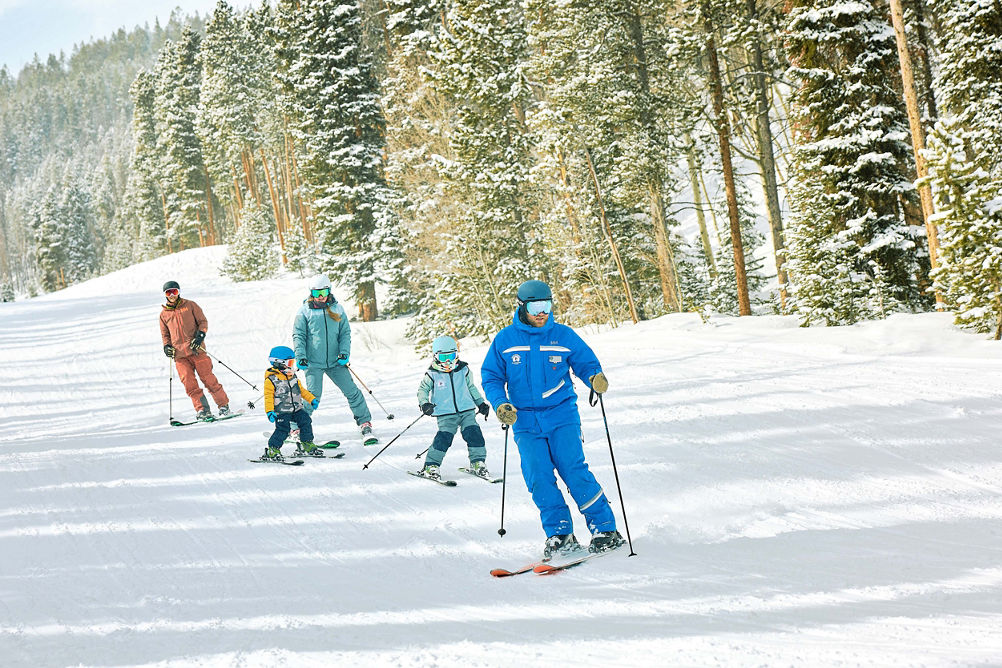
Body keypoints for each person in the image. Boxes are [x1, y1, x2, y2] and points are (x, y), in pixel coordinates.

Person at [480, 279, 623, 560]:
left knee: (574, 470)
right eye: (535, 306)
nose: (542, 311)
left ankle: (605, 529)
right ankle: (560, 533)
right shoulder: (505, 340)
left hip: (562, 416)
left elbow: (586, 363)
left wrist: (595, 378)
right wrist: (500, 404)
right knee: (539, 477)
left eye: (546, 304)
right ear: (522, 306)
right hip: (524, 421)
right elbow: (492, 377)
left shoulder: (563, 336)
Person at [292, 274, 375, 443]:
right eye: (316, 293)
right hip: (313, 363)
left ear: (329, 291)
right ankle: (295, 427)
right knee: (312, 396)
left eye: (323, 292)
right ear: (311, 294)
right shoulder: (304, 311)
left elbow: (345, 333)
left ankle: (364, 422)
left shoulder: (338, 309)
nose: (320, 296)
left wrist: (344, 353)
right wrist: (301, 356)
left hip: (336, 362)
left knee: (352, 391)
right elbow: (298, 335)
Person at [416, 335, 493, 480]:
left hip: (467, 411)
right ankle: (431, 466)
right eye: (443, 357)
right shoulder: (432, 373)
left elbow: (471, 387)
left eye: (451, 356)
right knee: (444, 438)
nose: (447, 361)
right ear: (436, 356)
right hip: (445, 414)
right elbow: (423, 390)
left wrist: (480, 403)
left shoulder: (463, 370)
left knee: (474, 433)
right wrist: (424, 403)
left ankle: (478, 463)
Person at [159, 280, 230, 421]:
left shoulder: (190, 305)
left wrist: (200, 336)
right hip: (180, 356)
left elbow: (203, 322)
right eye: (169, 292)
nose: (172, 295)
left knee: (209, 379)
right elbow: (165, 335)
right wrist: (167, 347)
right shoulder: (164, 315)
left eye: (175, 292)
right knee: (189, 384)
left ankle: (223, 406)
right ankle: (202, 410)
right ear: (165, 295)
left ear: (179, 292)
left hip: (197, 350)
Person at [260, 346, 323, 461]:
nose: (291, 365)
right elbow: (268, 397)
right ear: (279, 363)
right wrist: (269, 411)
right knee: (283, 429)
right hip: (282, 411)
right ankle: (273, 449)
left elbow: (301, 390)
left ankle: (307, 444)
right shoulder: (271, 380)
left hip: (297, 409)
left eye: (292, 362)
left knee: (306, 421)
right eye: (289, 362)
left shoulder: (292, 376)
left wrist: (311, 399)